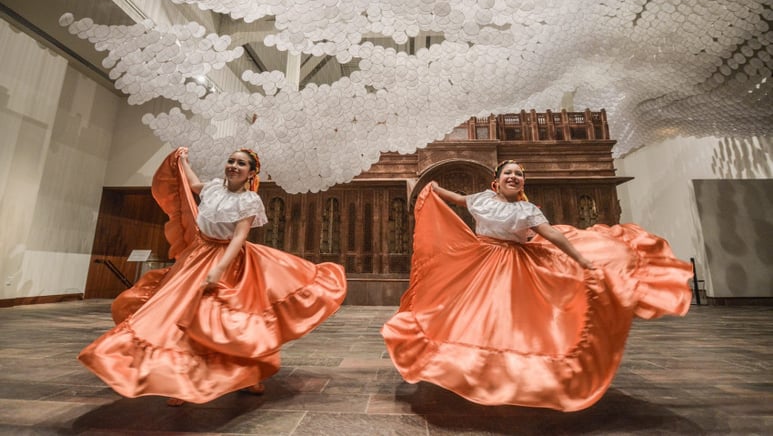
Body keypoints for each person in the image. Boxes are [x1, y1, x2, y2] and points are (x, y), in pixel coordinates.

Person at [381, 160, 693, 412]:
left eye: (519, 174)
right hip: (481, 262)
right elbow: (457, 199)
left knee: (517, 323)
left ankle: (513, 377)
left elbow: (553, 235)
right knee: (473, 319)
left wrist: (582, 259)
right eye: (509, 173)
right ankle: (474, 371)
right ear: (496, 181)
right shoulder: (481, 200)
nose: (514, 176)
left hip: (516, 264)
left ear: (522, 183)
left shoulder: (527, 210)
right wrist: (434, 188)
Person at [79, 147, 347, 405]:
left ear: (251, 173)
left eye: (241, 163)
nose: (234, 166)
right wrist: (182, 161)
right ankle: (180, 380)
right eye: (231, 161)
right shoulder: (215, 187)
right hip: (196, 257)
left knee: (227, 324)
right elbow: (194, 185)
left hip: (229, 261)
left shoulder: (248, 200)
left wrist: (218, 270)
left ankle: (247, 375)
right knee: (177, 317)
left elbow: (239, 238)